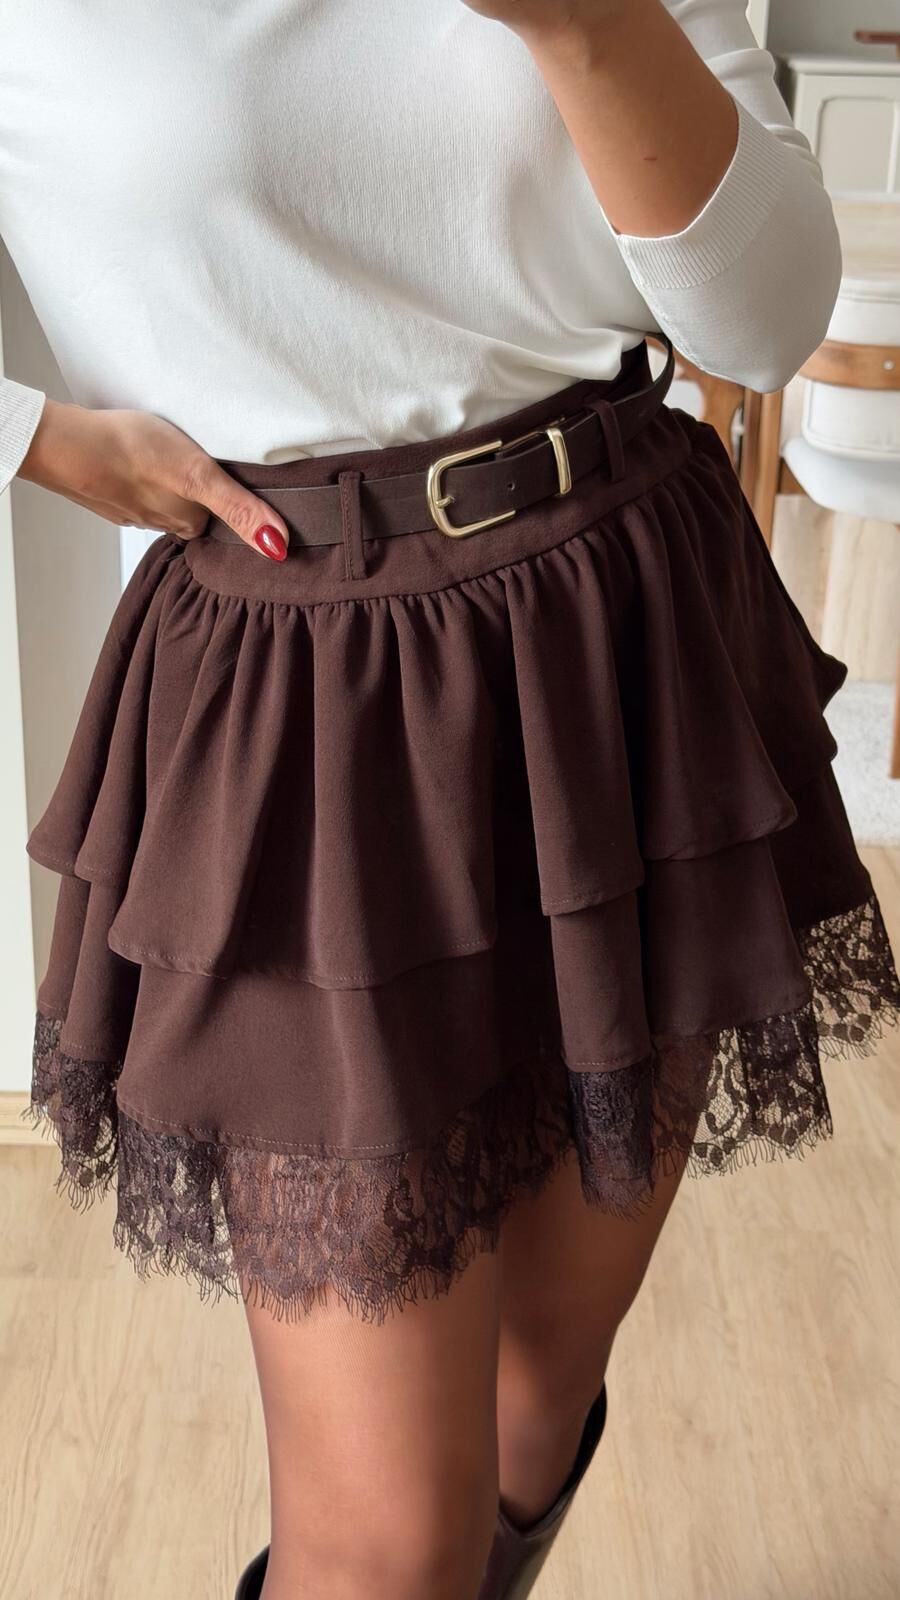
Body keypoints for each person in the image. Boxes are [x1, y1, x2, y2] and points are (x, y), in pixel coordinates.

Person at [4, 2, 898, 1598]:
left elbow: (765, 325)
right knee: (385, 1551)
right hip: (304, 715)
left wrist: (583, 22)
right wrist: (34, 439)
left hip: (625, 640)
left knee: (537, 1391)